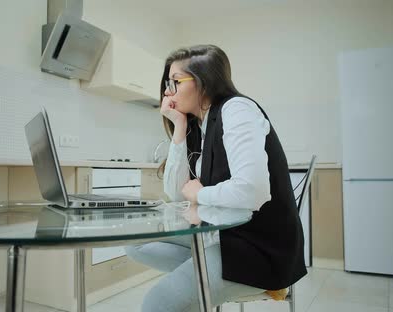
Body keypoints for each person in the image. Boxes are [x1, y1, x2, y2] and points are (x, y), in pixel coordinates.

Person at [125, 45, 306, 312]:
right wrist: (179, 126)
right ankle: (200, 277)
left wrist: (200, 194)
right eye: (167, 83)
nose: (166, 91)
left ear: (204, 81)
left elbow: (252, 191)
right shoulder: (199, 125)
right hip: (221, 236)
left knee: (159, 302)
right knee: (134, 242)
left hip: (258, 249)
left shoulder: (237, 110)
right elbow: (176, 193)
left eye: (174, 82)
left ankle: (203, 280)